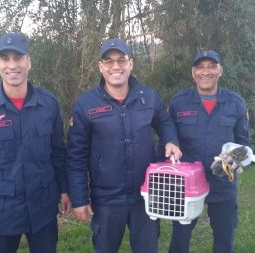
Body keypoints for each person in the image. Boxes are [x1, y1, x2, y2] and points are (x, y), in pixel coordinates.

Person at [0, 32, 71, 253]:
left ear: (29, 62)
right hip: (1, 213)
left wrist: (64, 189)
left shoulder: (48, 104)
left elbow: (58, 151)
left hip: (42, 209)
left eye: (18, 58)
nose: (12, 65)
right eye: (5, 58)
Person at [66, 38, 182, 253]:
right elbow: (76, 156)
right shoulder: (86, 104)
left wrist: (171, 140)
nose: (116, 66)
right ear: (101, 66)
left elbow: (164, 121)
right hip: (107, 198)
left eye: (121, 60)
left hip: (147, 195)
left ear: (131, 63)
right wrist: (80, 198)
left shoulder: (148, 97)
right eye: (109, 61)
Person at [168, 50, 251, 253]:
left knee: (224, 239)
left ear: (220, 70)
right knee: (179, 239)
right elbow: (168, 137)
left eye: (212, 66)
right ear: (193, 72)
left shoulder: (236, 103)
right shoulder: (178, 102)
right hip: (186, 186)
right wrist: (170, 146)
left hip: (223, 183)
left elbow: (244, 144)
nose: (206, 72)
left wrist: (234, 159)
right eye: (200, 67)